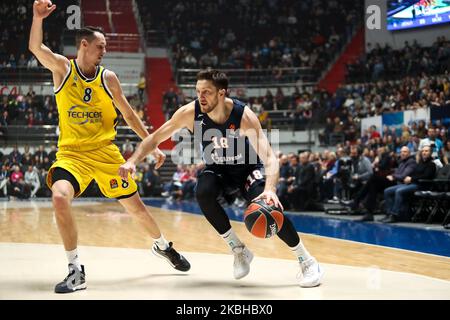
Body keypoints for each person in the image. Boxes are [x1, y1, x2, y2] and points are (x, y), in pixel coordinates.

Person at [29, 0, 190, 294]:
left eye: (105, 47)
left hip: (106, 155)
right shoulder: (63, 69)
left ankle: (164, 246)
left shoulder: (109, 78)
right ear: (84, 45)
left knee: (138, 210)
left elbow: (129, 115)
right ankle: (75, 270)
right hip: (72, 155)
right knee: (60, 197)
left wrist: (152, 145)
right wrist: (37, 18)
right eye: (100, 46)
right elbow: (37, 49)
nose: (105, 51)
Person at [119, 69, 323, 287]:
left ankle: (307, 261)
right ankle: (239, 250)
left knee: (269, 207)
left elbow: (270, 157)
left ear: (221, 93)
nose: (201, 97)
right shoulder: (189, 113)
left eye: (206, 92)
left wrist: (270, 189)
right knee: (202, 191)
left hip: (246, 169)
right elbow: (154, 138)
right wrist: (133, 160)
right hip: (218, 168)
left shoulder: (243, 116)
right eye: (198, 91)